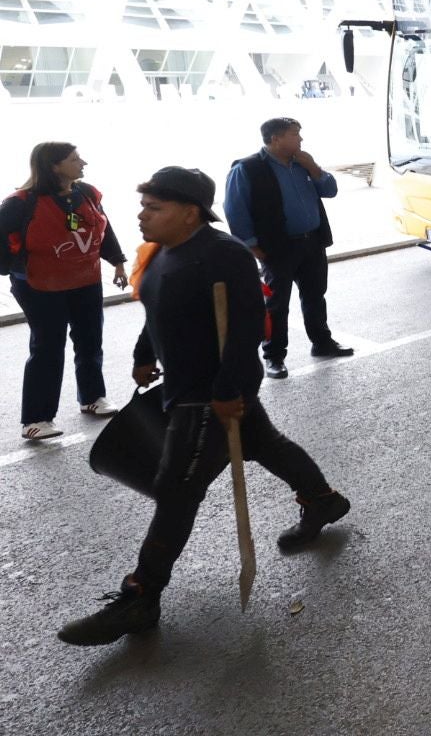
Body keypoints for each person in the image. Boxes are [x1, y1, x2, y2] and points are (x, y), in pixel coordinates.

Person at [57, 167, 349, 646]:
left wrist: (231, 389)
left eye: (155, 207)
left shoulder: (224, 255)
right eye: (144, 205)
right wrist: (143, 354)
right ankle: (323, 500)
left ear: (190, 213)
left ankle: (141, 595)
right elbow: (157, 310)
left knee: (176, 492)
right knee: (265, 444)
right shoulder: (163, 253)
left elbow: (248, 327)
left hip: (209, 394)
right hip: (186, 386)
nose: (142, 215)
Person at [2, 142, 126, 439]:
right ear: (54, 166)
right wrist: (15, 268)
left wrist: (118, 263)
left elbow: (104, 229)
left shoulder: (87, 193)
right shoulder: (20, 202)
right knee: (48, 347)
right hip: (40, 285)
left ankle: (92, 398)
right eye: (74, 159)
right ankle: (36, 419)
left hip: (85, 280)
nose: (83, 163)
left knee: (90, 339)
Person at [224, 117, 352, 380]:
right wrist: (251, 247)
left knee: (316, 295)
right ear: (275, 139)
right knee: (276, 304)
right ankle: (274, 357)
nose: (301, 139)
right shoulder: (247, 169)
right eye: (295, 134)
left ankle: (321, 342)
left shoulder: (302, 163)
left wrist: (313, 166)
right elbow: (235, 210)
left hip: (312, 242)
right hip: (276, 248)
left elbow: (330, 190)